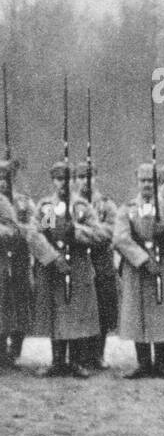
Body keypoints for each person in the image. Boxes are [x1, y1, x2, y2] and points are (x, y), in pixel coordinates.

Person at [29, 160, 102, 377]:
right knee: (57, 311)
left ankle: (77, 361)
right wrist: (52, 257)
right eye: (59, 179)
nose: (63, 184)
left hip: (77, 265)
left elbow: (99, 234)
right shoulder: (48, 207)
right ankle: (57, 360)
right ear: (53, 181)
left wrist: (76, 230)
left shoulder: (81, 207)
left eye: (67, 179)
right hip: (55, 267)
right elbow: (36, 233)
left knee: (76, 310)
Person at [114, 164, 164, 379]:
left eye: (150, 181)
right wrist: (142, 260)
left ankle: (162, 362)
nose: (147, 185)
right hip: (137, 268)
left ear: (158, 183)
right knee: (137, 312)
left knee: (162, 311)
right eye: (143, 181)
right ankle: (143, 362)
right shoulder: (128, 208)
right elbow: (120, 238)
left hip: (163, 264)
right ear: (137, 182)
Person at [75, 161, 117, 370]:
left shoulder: (106, 205)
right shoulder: (71, 205)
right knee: (79, 309)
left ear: (96, 178)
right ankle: (79, 356)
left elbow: (111, 233)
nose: (85, 181)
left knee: (102, 309)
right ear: (75, 180)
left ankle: (97, 354)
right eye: (81, 177)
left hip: (102, 264)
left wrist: (80, 234)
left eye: (89, 177)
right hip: (78, 264)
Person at [0, 159, 34, 367]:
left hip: (20, 258)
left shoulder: (23, 202)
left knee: (21, 302)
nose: (2, 183)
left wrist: (22, 230)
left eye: (6, 178)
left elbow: (40, 224)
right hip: (1, 258)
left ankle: (16, 349)